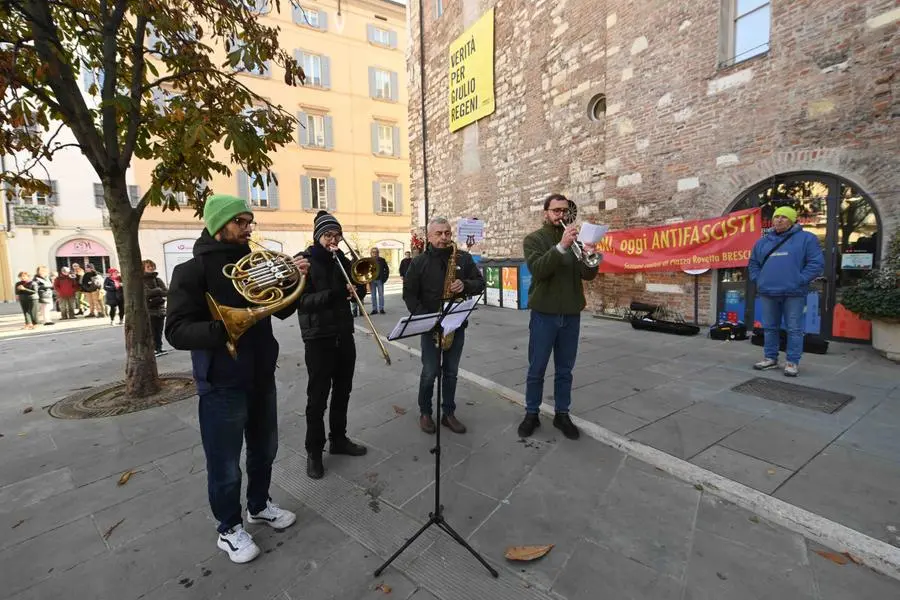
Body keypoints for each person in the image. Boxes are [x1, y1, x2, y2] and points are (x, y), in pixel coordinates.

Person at [165, 194, 310, 564]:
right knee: (225, 462)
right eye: (241, 222)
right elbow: (176, 331)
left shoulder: (252, 263)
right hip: (221, 381)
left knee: (265, 450)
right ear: (219, 224)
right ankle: (228, 528)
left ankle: (259, 505)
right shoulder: (191, 271)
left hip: (261, 372)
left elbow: (280, 308)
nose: (249, 228)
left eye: (249, 221)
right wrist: (224, 329)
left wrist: (298, 278)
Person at [518, 194, 600, 441]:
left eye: (565, 211)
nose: (561, 215)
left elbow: (588, 275)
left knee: (565, 370)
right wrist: (561, 246)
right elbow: (539, 270)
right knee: (537, 368)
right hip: (544, 313)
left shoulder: (576, 240)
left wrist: (589, 254)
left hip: (571, 314)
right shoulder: (534, 239)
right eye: (556, 211)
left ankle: (562, 414)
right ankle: (531, 412)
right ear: (546, 213)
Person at [295, 210, 369, 480]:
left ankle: (338, 439)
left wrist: (357, 290)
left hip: (343, 334)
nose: (333, 239)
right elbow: (301, 302)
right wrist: (336, 294)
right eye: (328, 235)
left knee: (343, 391)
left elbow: (359, 288)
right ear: (318, 237)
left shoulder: (343, 259)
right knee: (317, 399)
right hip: (318, 338)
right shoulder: (305, 261)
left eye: (337, 235)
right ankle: (314, 451)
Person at [403, 217, 485, 435]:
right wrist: (424, 319)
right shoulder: (419, 262)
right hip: (430, 326)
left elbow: (480, 284)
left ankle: (448, 413)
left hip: (455, 325)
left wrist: (465, 284)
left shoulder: (464, 259)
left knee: (451, 372)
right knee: (430, 372)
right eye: (439, 234)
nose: (444, 237)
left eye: (447, 233)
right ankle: (425, 412)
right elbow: (409, 294)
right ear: (429, 237)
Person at [748, 206, 824, 377]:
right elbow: (753, 263)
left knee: (794, 328)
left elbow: (816, 264)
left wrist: (800, 280)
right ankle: (770, 358)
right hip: (768, 291)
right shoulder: (762, 242)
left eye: (784, 217)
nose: (779, 220)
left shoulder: (807, 239)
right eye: (776, 217)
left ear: (792, 220)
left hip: (794, 293)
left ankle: (792, 361)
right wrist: (759, 279)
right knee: (769, 327)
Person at [143, 260, 168, 356]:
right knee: (151, 330)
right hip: (149, 309)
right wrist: (158, 290)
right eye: (148, 266)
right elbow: (146, 293)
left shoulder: (158, 280)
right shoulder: (142, 280)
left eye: (152, 266)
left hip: (160, 309)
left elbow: (166, 292)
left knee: (159, 330)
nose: (151, 268)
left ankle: (159, 348)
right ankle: (153, 349)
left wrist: (156, 292)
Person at [369, 248, 389, 314]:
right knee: (373, 296)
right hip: (372, 280)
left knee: (381, 295)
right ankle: (374, 309)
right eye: (373, 252)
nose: (375, 253)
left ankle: (381, 309)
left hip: (380, 280)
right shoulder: (368, 260)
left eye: (376, 252)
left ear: (378, 253)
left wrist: (384, 278)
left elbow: (386, 269)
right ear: (371, 253)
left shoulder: (382, 260)